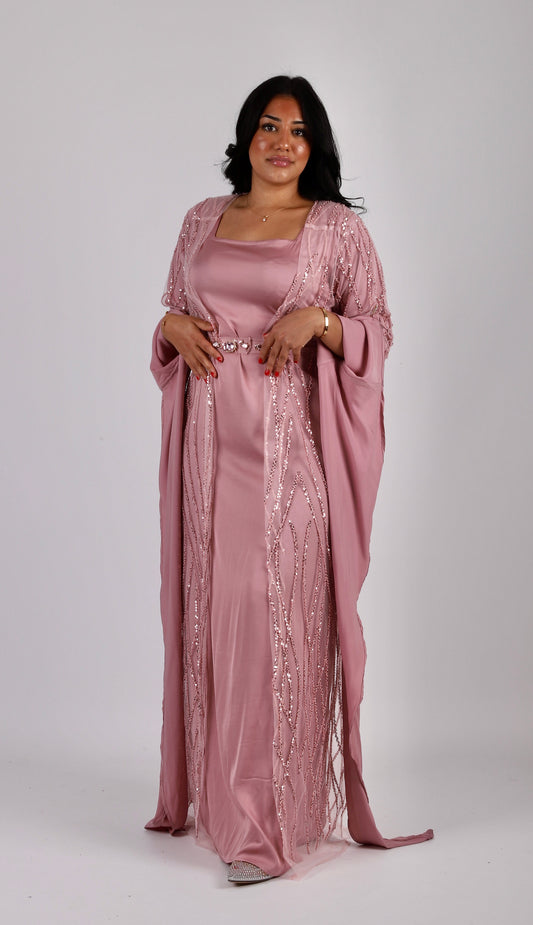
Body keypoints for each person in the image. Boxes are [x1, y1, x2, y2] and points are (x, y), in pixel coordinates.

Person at [145, 75, 433, 884]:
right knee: (215, 620)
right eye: (269, 126)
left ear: (316, 147)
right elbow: (176, 315)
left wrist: (322, 321)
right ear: (246, 136)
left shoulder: (337, 228)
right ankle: (223, 802)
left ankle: (263, 827)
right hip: (207, 455)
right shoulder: (201, 218)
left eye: (300, 131)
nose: (282, 143)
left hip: (290, 458)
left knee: (273, 622)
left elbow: (377, 328)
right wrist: (168, 326)